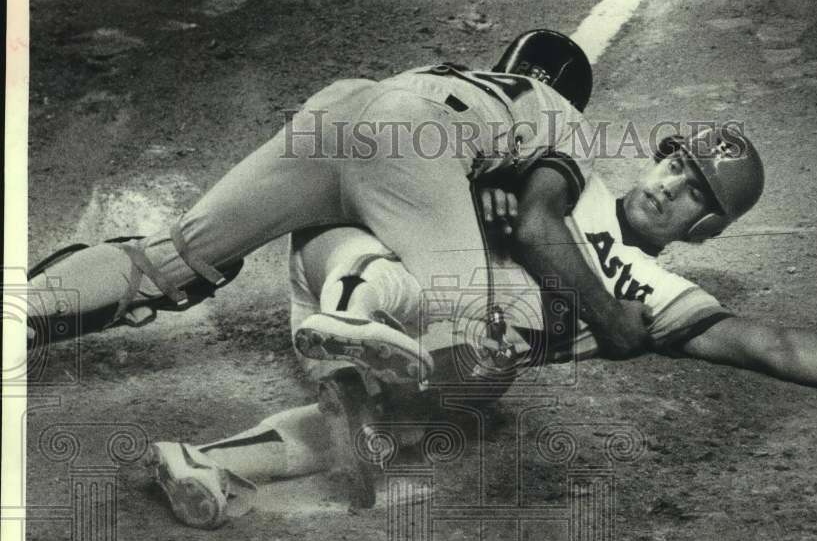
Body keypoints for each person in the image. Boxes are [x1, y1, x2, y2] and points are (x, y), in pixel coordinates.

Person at [143, 126, 817, 529]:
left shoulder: (654, 290)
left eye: (697, 191)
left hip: (432, 344)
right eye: (674, 162)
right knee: (400, 282)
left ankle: (208, 461)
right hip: (345, 253)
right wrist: (492, 195)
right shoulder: (572, 179)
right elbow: (450, 161)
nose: (672, 184)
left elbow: (766, 342)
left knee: (445, 409)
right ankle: (352, 327)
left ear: (707, 230)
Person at [27, 30, 651, 370]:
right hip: (413, 143)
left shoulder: (474, 80)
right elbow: (539, 221)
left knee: (171, 261)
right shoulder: (565, 116)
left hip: (343, 107)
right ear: (574, 95)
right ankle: (352, 315)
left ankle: (22, 311)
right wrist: (609, 316)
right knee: (474, 357)